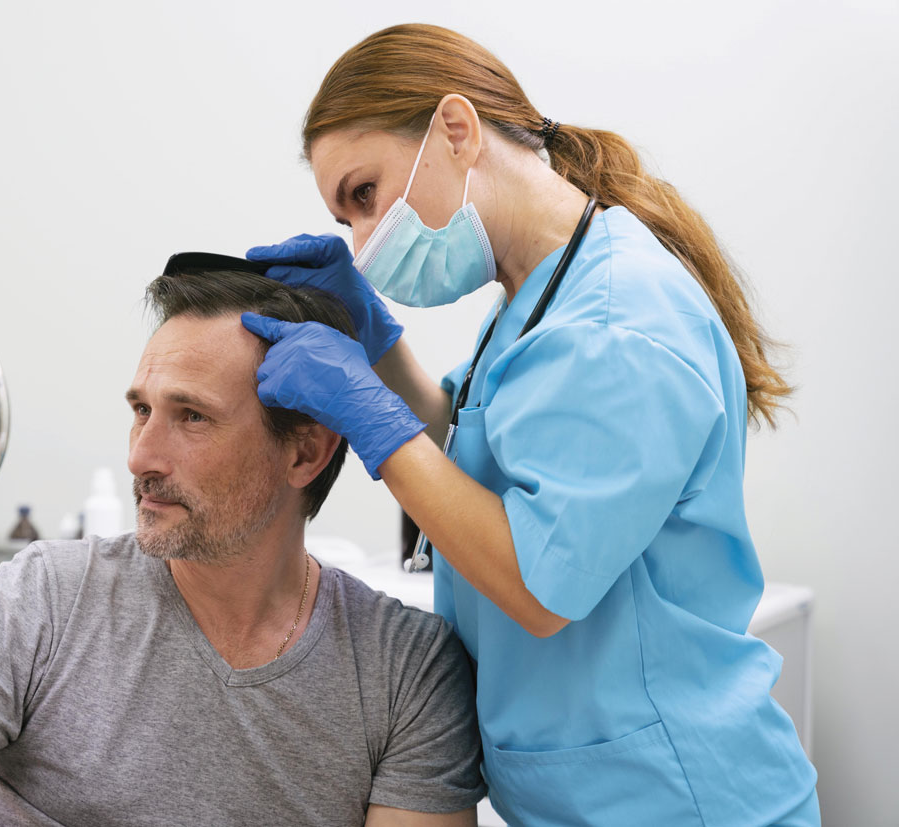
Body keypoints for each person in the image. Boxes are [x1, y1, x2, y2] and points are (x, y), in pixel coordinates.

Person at [241, 23, 818, 827]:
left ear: (455, 130)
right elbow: (476, 453)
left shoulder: (621, 320)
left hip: (678, 798)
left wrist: (370, 421)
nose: (366, 244)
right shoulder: (536, 291)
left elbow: (540, 585)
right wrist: (377, 346)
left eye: (365, 197)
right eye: (346, 223)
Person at [0, 264, 486, 826]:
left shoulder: (404, 671)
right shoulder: (48, 599)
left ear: (304, 452)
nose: (143, 453)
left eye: (192, 417)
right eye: (141, 409)